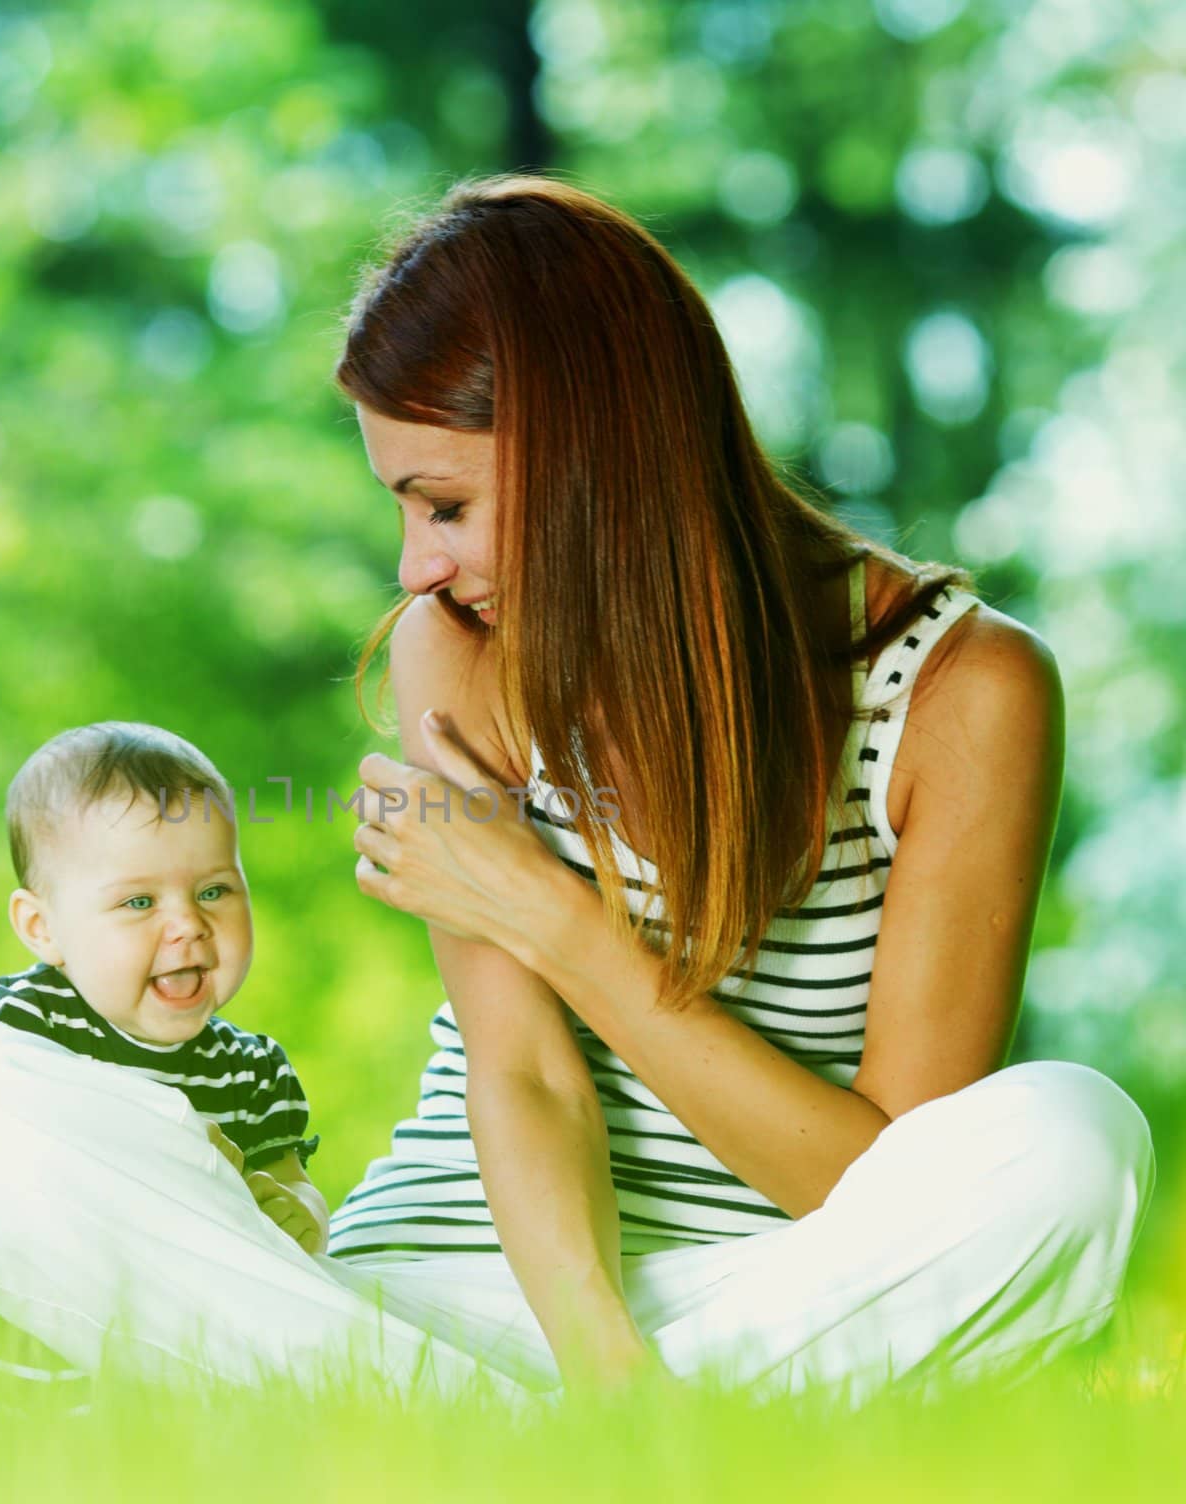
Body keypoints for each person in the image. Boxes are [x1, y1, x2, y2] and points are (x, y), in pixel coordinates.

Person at [322, 174, 1156, 1399]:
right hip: (459, 1284)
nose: (415, 563)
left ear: (591, 455)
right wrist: (605, 1368)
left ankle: (528, 1434)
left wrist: (553, 917)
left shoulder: (960, 691)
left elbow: (871, 1187)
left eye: (445, 505)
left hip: (772, 1287)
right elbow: (524, 1071)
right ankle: (617, 1425)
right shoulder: (457, 643)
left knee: (1077, 1143)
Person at [0, 721, 536, 1414]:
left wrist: (297, 1204)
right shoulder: (27, 1025)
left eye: (213, 891)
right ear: (44, 929)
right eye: (138, 904)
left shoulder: (252, 1070)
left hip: (73, 1388)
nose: (187, 926)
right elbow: (4, 1147)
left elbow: (284, 1184)